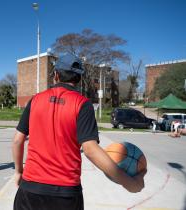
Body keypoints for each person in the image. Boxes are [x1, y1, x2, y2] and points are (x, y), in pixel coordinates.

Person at [12, 54, 146, 210]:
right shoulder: (83, 104)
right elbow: (90, 149)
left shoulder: (35, 100)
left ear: (55, 75)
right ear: (79, 79)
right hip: (65, 194)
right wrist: (129, 183)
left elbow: (17, 140)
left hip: (30, 190)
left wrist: (18, 172)